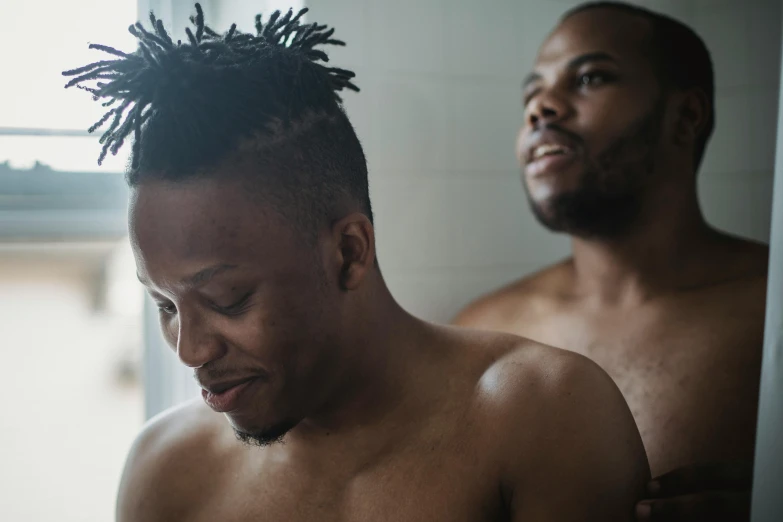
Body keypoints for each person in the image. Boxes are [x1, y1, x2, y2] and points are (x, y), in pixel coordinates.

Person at [63, 4, 649, 521]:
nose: (190, 351)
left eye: (227, 300)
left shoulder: (541, 418)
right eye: (164, 304)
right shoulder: (164, 474)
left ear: (349, 252)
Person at [454, 2, 768, 521]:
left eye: (590, 78)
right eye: (532, 93)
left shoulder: (771, 311)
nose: (541, 108)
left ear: (685, 117)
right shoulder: (482, 332)